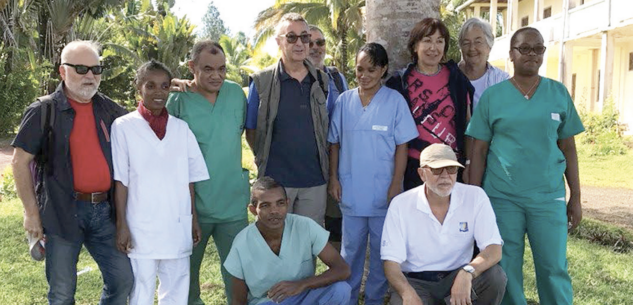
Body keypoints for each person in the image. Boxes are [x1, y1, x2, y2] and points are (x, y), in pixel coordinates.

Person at [466, 27, 584, 305]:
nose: (532, 54)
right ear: (511, 54)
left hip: (547, 196)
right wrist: (473, 197)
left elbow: (568, 148)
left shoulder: (558, 93)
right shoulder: (494, 97)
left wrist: (576, 196)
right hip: (502, 196)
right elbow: (479, 150)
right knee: (506, 268)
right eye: (524, 48)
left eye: (538, 48)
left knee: (553, 267)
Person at [11, 40, 132, 304]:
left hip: (104, 212)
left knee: (123, 280)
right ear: (62, 72)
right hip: (60, 211)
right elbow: (19, 162)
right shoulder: (43, 110)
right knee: (62, 292)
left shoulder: (110, 110)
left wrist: (176, 90)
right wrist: (31, 213)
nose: (90, 76)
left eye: (96, 69)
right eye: (80, 68)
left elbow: (142, 124)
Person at [112, 60, 209, 304]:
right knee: (141, 290)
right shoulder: (123, 127)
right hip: (140, 225)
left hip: (176, 223)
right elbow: (121, 181)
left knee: (176, 288)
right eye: (151, 86)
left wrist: (193, 218)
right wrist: (122, 223)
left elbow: (190, 179)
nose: (158, 92)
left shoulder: (181, 128)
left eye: (164, 86)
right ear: (138, 88)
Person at [328, 42, 419, 305]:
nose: (364, 76)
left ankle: (375, 300)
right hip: (351, 190)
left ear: (383, 70)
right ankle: (347, 298)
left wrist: (396, 184)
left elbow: (403, 146)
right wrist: (334, 178)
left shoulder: (394, 101)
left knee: (382, 253)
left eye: (371, 70)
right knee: (350, 251)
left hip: (384, 194)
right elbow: (334, 143)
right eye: (359, 70)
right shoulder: (344, 101)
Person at [165, 40, 251, 305]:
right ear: (192, 67)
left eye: (222, 69)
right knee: (186, 275)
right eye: (208, 69)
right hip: (192, 207)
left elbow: (238, 134)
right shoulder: (177, 99)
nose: (217, 75)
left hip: (232, 203)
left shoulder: (236, 93)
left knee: (237, 273)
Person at [245, 13, 330, 226]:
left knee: (307, 248)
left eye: (305, 37)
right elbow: (252, 131)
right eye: (291, 37)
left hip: (314, 181)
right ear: (279, 41)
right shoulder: (262, 82)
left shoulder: (321, 80)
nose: (300, 43)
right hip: (276, 183)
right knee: (274, 245)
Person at [224, 177, 352, 305]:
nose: (274, 211)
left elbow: (342, 269)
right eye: (265, 205)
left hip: (303, 295)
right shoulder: (242, 243)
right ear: (253, 210)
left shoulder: (304, 226)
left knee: (341, 290)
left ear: (287, 203)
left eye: (280, 203)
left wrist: (302, 284)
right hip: (269, 302)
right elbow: (238, 300)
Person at [386, 18, 474, 189]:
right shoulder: (399, 82)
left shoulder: (457, 79)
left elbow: (469, 125)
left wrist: (469, 163)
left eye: (439, 41)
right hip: (415, 167)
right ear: (415, 46)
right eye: (427, 40)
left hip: (451, 165)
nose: (433, 48)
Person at [307, 24, 349, 250]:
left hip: (336, 164)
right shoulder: (295, 78)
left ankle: (335, 277)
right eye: (309, 42)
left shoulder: (337, 78)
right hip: (306, 167)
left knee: (335, 225)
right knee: (307, 229)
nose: (315, 47)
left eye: (320, 42)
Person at [457, 17, 510, 109]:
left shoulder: (501, 80)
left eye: (478, 42)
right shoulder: (450, 76)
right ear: (461, 48)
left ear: (489, 46)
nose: (472, 48)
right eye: (466, 43)